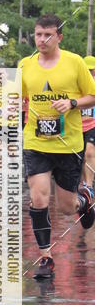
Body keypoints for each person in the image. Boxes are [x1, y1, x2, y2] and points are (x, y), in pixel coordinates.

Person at [19, 15, 95, 280]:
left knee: (66, 206)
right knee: (38, 199)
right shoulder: (26, 65)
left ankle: (84, 199)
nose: (42, 40)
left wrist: (72, 104)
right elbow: (17, 95)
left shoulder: (74, 63)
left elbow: (92, 95)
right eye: (39, 35)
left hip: (69, 144)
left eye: (48, 35)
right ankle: (45, 257)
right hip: (36, 143)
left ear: (59, 37)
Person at [80, 55, 95, 190]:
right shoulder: (77, 84)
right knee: (82, 157)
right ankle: (85, 183)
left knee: (89, 152)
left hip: (93, 125)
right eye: (87, 70)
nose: (90, 73)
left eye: (92, 70)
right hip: (77, 126)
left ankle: (89, 186)